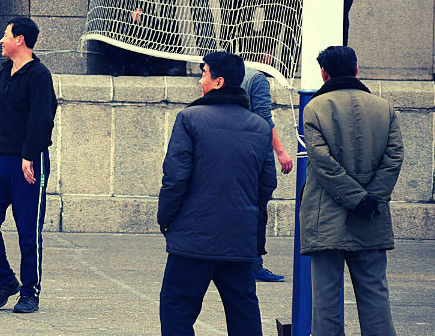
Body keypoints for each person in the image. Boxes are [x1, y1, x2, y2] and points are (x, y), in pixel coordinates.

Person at [158, 51, 276, 336]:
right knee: (243, 311)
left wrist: (167, 219)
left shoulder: (189, 118)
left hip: (194, 236)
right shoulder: (260, 127)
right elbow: (267, 182)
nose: (201, 80)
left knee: (177, 309)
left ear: (219, 81)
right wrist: (247, 211)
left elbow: (175, 178)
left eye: (204, 73)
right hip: (239, 237)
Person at [301, 46, 403, 336]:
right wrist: (371, 199)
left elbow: (322, 162)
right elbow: (394, 157)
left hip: (326, 216)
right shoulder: (384, 108)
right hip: (371, 215)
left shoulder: (315, 108)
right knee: (375, 297)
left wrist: (356, 199)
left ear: (324, 73)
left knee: (326, 303)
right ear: (357, 70)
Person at [0, 17, 57, 314]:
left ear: (20, 39)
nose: (0, 41)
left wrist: (29, 155)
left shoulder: (39, 75)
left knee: (27, 231)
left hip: (29, 162)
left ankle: (30, 291)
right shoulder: (3, 74)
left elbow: (43, 119)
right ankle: (5, 281)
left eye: (5, 35)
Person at [240, 67, 293, 282]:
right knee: (257, 211)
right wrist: (281, 151)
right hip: (256, 155)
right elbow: (264, 119)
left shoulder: (216, 73)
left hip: (229, 154)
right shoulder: (256, 78)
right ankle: (254, 265)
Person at [101, 0, 153, 77]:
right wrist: (130, 18)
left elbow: (153, 20)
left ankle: (142, 65)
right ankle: (116, 65)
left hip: (139, 39)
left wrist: (141, 20)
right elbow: (109, 21)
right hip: (118, 42)